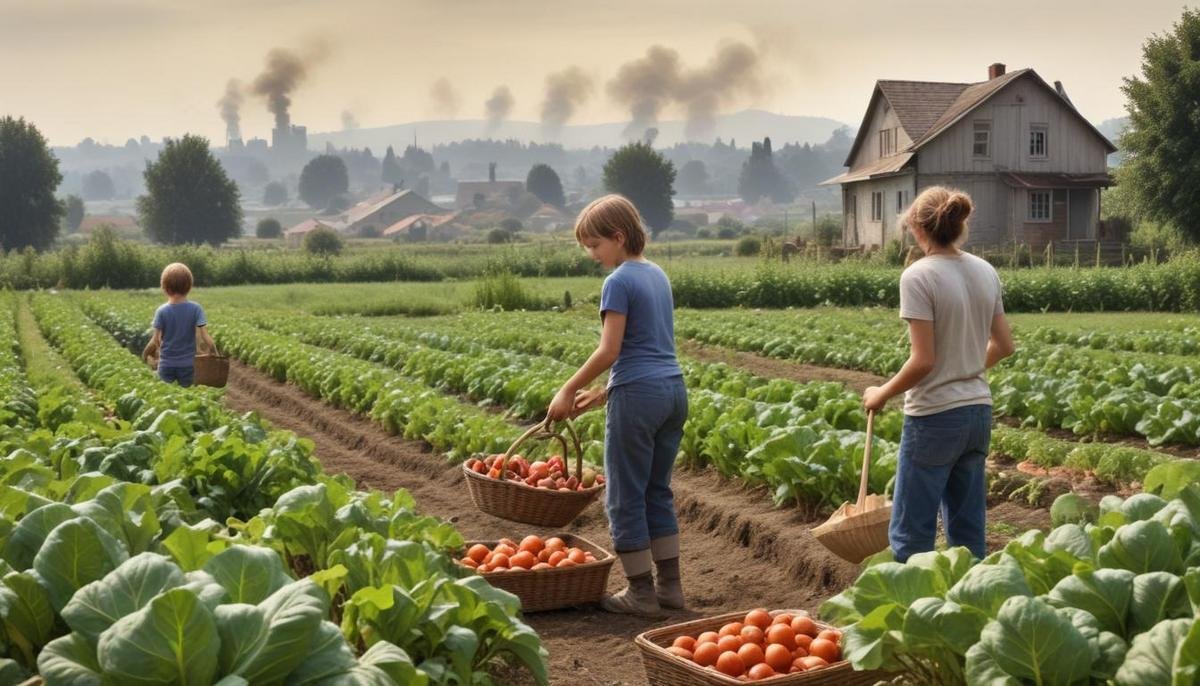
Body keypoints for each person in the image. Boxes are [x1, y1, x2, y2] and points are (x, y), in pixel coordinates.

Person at [547, 194, 688, 617]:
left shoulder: (619, 281)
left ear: (619, 236)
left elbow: (610, 350)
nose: (592, 255)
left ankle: (640, 593)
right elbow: (652, 345)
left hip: (640, 395)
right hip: (672, 391)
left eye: (595, 245)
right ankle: (670, 589)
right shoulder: (656, 274)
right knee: (656, 491)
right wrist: (607, 392)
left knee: (624, 495)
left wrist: (568, 389)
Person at [862, 187, 1015, 562]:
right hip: (977, 412)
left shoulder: (918, 276)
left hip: (934, 417)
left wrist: (881, 393)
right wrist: (965, 370)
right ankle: (972, 608)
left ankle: (915, 613)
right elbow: (1005, 345)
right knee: (968, 531)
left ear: (917, 227)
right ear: (959, 225)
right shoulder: (984, 270)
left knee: (912, 533)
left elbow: (923, 361)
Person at [142, 262, 216, 387]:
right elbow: (205, 336)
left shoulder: (161, 311)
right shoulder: (196, 309)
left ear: (164, 288)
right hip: (188, 365)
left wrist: (145, 354)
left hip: (166, 364)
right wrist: (214, 353)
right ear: (189, 287)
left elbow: (155, 340)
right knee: (187, 395)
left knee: (164, 395)